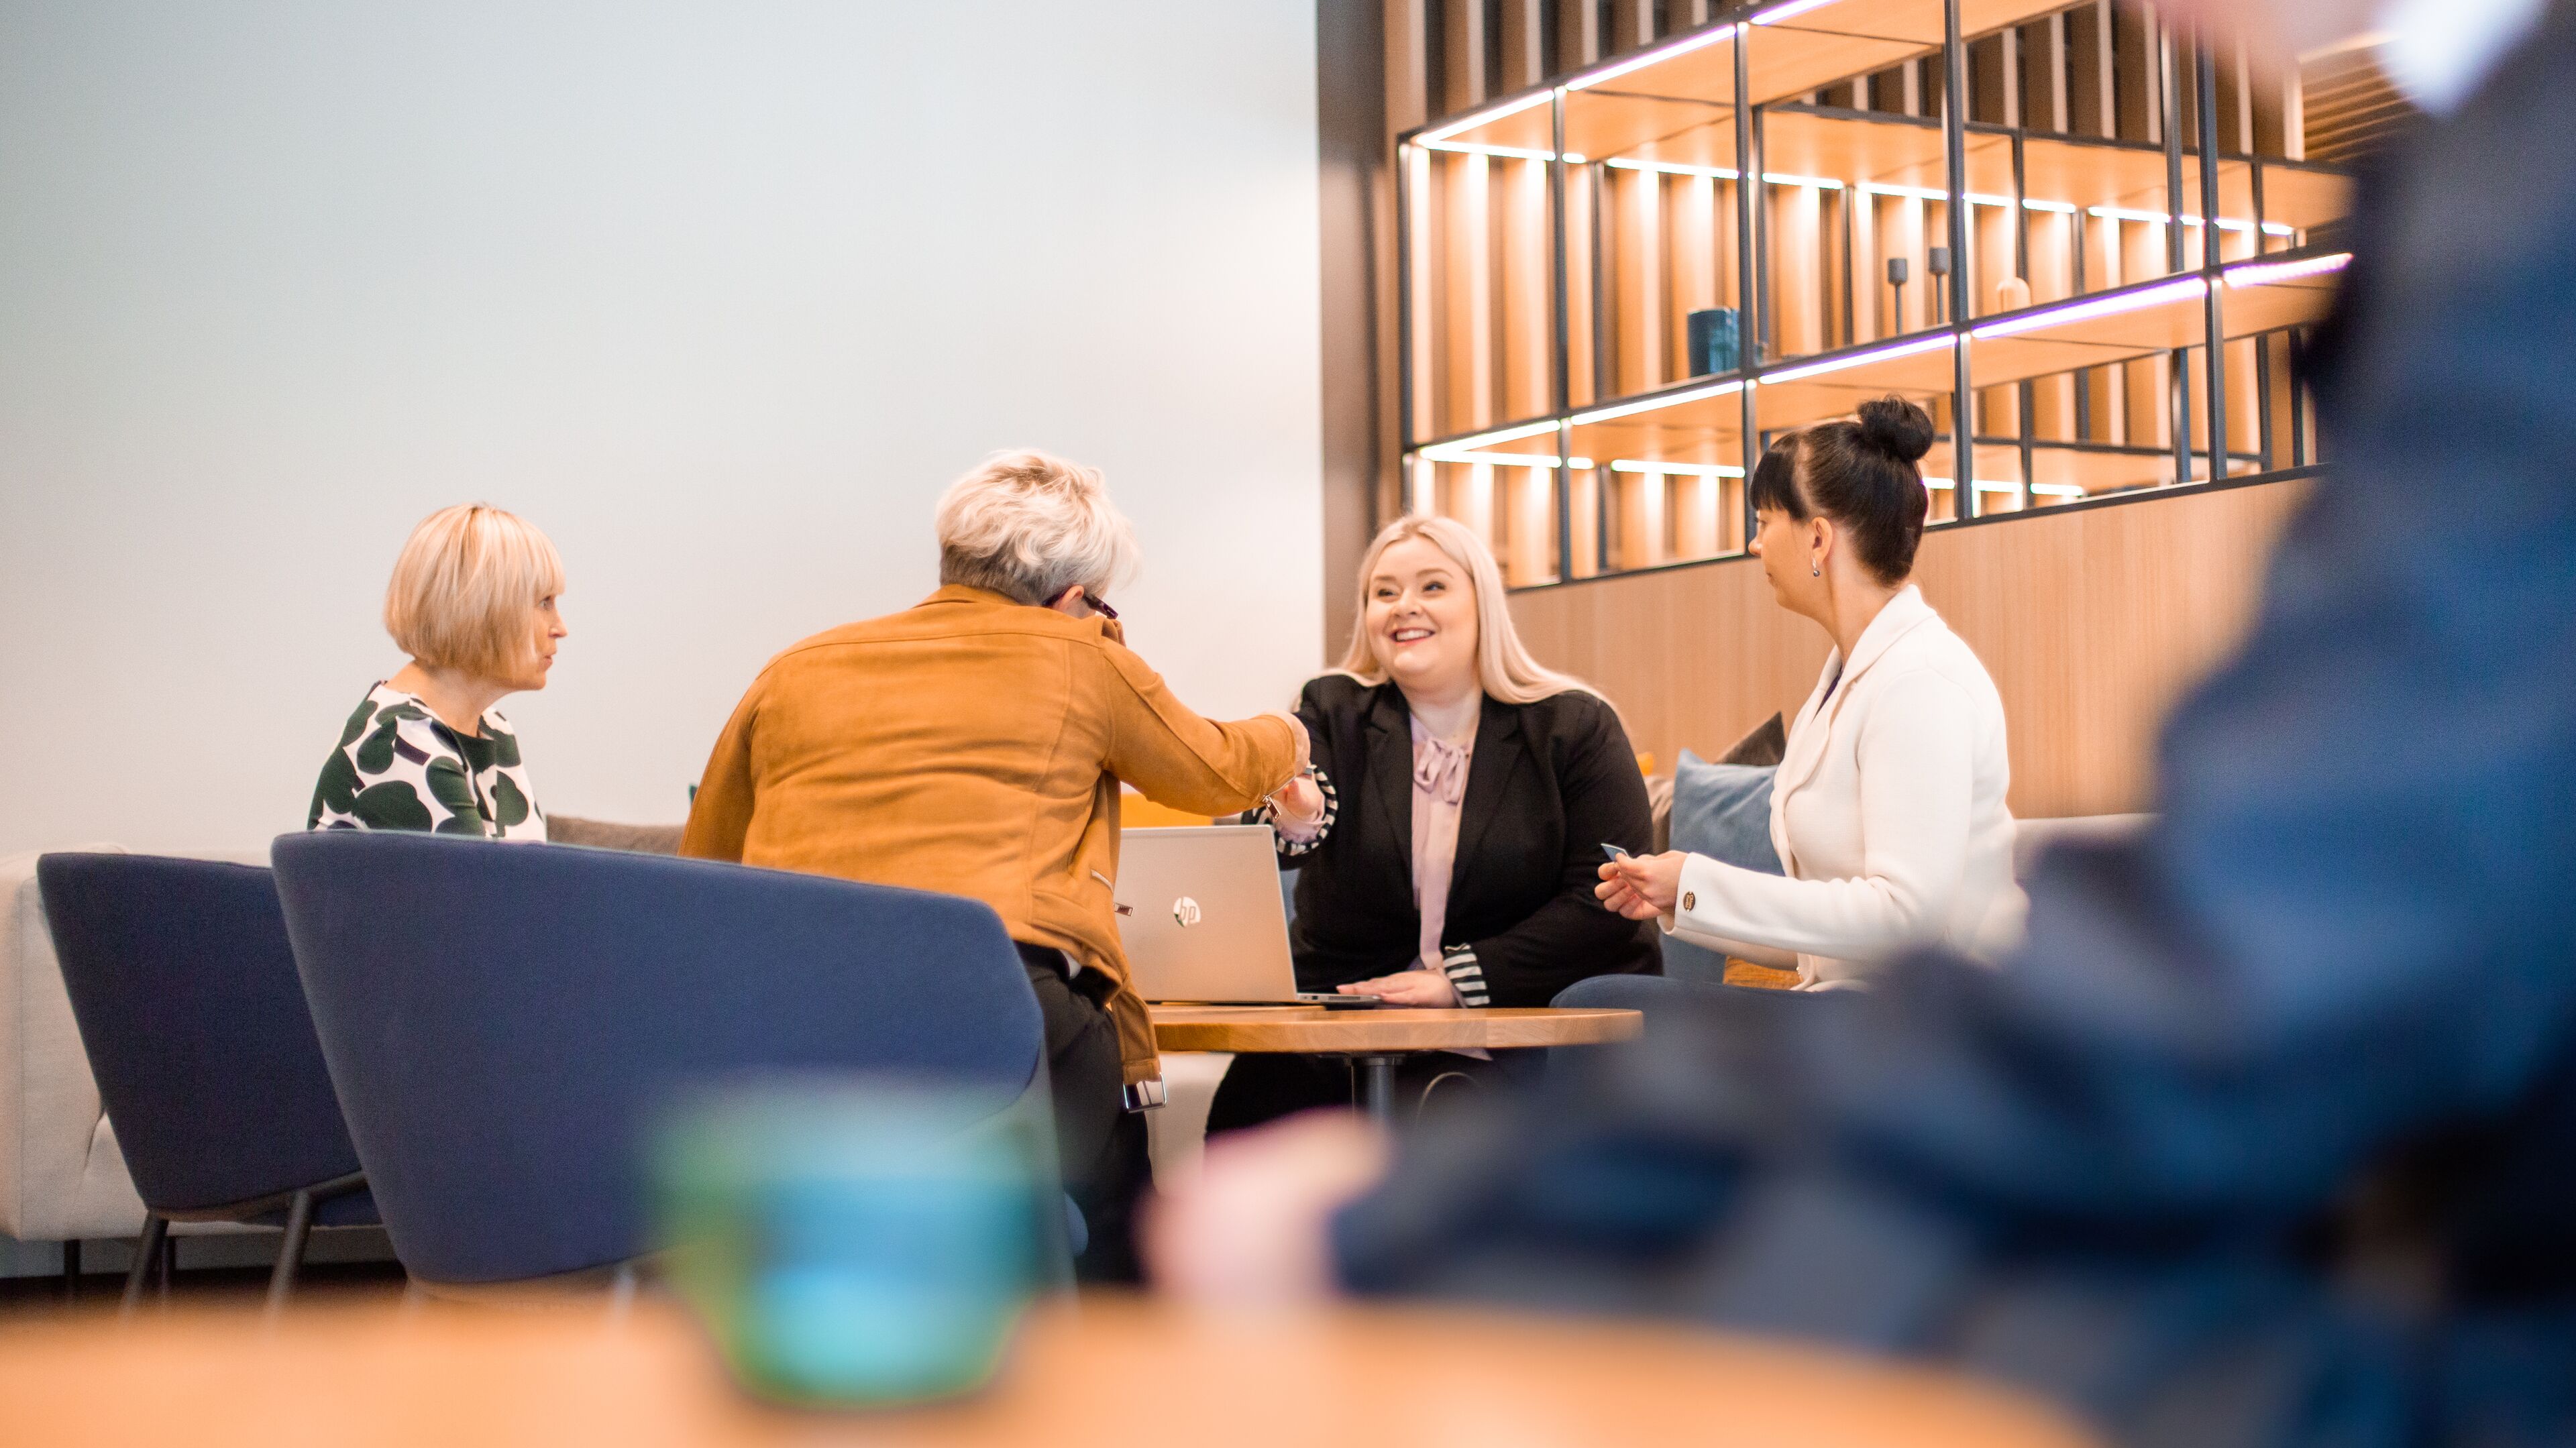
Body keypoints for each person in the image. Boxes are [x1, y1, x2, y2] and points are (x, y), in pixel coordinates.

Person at [1148, 0, 2576, 1439]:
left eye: (1760, 527)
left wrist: (1447, 1187)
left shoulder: (2529, 204)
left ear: (1814, 537)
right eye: (1381, 585)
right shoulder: (1818, 685)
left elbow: (2236, 944)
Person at [680, 449, 1315, 1281]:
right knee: (1121, 1214)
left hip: (800, 1020)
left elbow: (707, 865)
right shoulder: (1081, 656)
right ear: (1074, 595)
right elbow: (1218, 768)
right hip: (1000, 1010)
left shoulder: (796, 667)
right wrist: (1296, 731)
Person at [1203, 515, 1658, 1133]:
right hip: (1350, 1029)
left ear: (1482, 604)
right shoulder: (1332, 710)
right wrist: (1300, 816)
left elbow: (1607, 898)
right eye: (1383, 592)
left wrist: (1460, 982)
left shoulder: (1574, 727)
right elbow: (1283, 826)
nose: (1403, 606)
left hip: (1518, 1029)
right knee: (1251, 1113)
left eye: (1433, 587)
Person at [1589, 398, 2021, 993]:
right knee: (1604, 1001)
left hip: (1927, 1021)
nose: (1755, 544)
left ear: (1817, 538)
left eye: (1764, 522)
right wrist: (1680, 898)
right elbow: (1816, 943)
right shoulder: (1848, 679)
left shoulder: (1921, 682)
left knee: (1607, 1002)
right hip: (1843, 1006)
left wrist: (1698, 881)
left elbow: (1903, 917)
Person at [309, 503, 566, 839]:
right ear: (482, 609)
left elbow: (528, 885)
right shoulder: (399, 740)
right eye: (544, 602)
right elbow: (490, 891)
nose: (560, 627)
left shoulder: (493, 729)